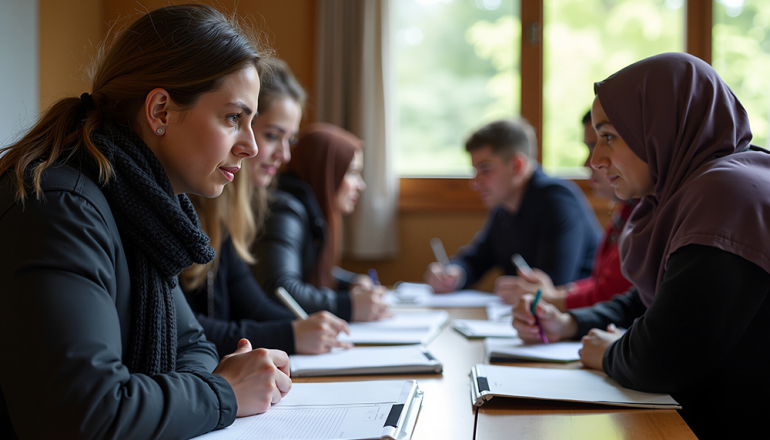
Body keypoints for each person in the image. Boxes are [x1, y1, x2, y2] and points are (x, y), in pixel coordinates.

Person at [0, 5, 292, 439]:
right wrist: (222, 392)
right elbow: (85, 413)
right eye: (234, 118)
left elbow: (191, 345)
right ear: (160, 111)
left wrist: (207, 386)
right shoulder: (59, 209)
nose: (249, 146)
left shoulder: (142, 208)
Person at [512, 52, 770, 439]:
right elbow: (654, 301)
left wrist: (608, 353)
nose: (596, 160)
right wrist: (569, 323)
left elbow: (664, 358)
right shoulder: (681, 194)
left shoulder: (729, 194)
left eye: (608, 137)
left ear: (661, 128)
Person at [181, 75, 352, 354]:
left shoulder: (225, 214)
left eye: (290, 140)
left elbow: (254, 305)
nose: (285, 155)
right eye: (272, 136)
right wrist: (292, 334)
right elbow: (185, 332)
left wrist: (306, 327)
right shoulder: (186, 207)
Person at [424, 118, 601, 293]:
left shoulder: (557, 200)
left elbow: (554, 284)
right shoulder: (503, 209)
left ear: (517, 165)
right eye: (475, 171)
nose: (475, 182)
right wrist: (454, 274)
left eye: (485, 169)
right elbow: (478, 259)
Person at [495, 111, 636, 311]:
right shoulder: (626, 210)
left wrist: (550, 297)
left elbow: (610, 295)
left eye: (606, 141)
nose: (589, 163)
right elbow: (600, 284)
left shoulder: (556, 198)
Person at [252, 123, 390, 321]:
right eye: (351, 173)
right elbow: (281, 289)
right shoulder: (285, 212)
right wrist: (348, 305)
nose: (361, 185)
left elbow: (307, 266)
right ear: (325, 173)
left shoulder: (310, 209)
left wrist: (351, 283)